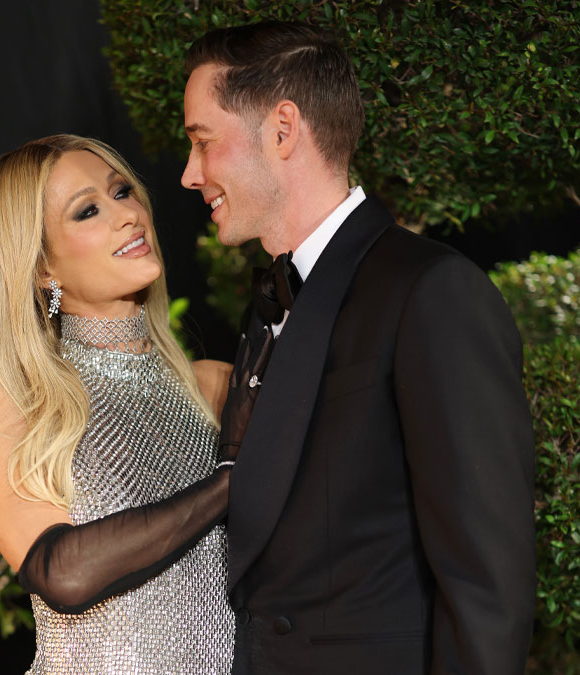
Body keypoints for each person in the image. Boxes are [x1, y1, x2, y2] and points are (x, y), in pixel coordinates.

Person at [180, 22, 537, 674]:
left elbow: (487, 586)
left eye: (202, 142)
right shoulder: (268, 301)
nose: (188, 173)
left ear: (282, 130)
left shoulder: (432, 291)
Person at [0, 134, 272, 674]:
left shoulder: (214, 388)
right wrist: (231, 479)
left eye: (122, 191)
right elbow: (64, 575)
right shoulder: (10, 393)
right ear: (41, 270)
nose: (127, 215)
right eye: (88, 211)